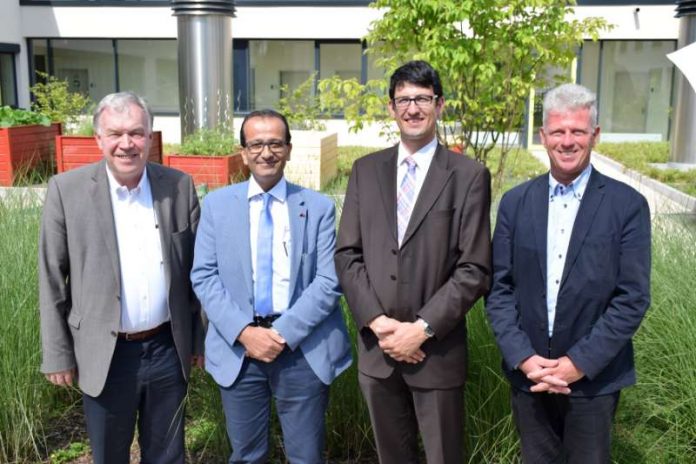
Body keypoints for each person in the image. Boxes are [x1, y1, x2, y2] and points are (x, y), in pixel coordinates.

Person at [334, 60, 492, 464]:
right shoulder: (364, 171)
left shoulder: (468, 175)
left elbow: (473, 268)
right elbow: (347, 254)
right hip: (378, 351)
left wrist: (420, 330)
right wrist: (378, 322)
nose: (413, 108)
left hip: (436, 353)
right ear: (391, 108)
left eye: (422, 98)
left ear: (439, 105)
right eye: (403, 99)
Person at [486, 83, 651, 463]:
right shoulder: (515, 203)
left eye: (577, 131)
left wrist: (578, 364)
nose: (567, 141)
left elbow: (632, 297)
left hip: (594, 380)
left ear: (595, 135)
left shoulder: (627, 206)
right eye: (558, 131)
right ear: (543, 136)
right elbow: (499, 288)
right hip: (531, 376)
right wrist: (524, 358)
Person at [39, 91, 204, 464]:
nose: (126, 144)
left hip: (166, 348)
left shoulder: (179, 187)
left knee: (167, 455)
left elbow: (198, 272)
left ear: (150, 136)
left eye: (136, 132)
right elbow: (51, 278)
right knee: (110, 455)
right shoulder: (67, 191)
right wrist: (57, 353)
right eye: (115, 134)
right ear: (99, 139)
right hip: (103, 353)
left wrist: (199, 339)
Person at [191, 109, 352, 464]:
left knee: (306, 456)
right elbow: (203, 275)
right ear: (244, 152)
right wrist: (245, 333)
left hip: (301, 348)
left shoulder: (319, 207)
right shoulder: (216, 206)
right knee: (247, 454)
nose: (267, 152)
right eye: (257, 144)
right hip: (240, 351)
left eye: (276, 143)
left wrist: (279, 335)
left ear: (289, 149)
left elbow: (329, 280)